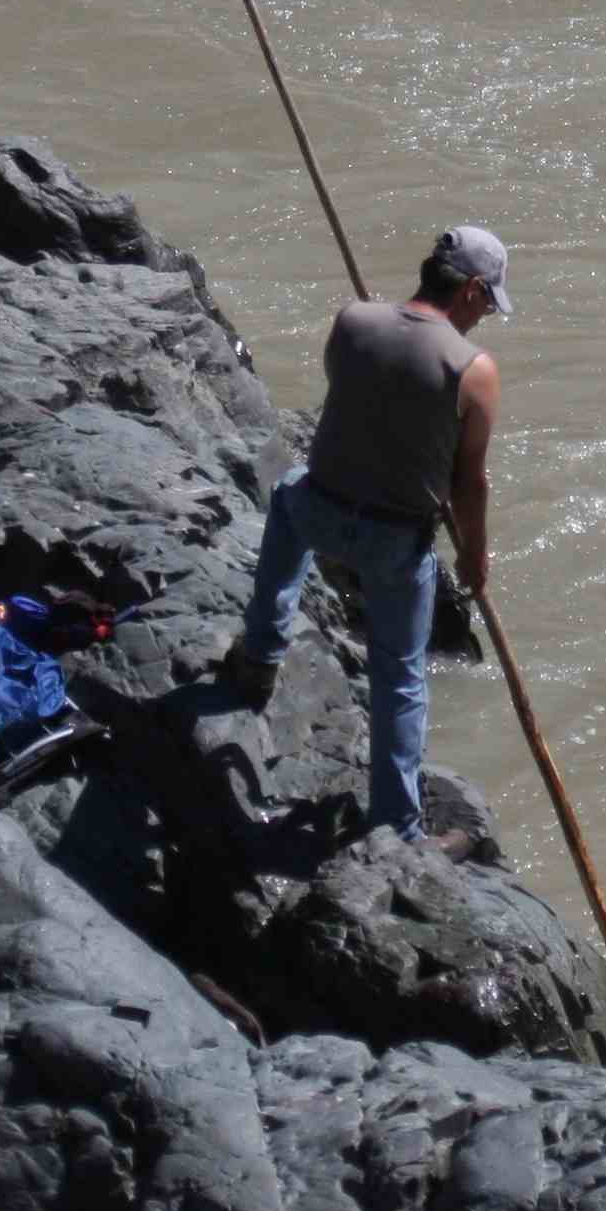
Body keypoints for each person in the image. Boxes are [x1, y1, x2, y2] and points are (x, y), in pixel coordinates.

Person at [219, 225, 510, 846]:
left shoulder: (353, 320)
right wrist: (474, 557)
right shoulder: (474, 369)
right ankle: (398, 825)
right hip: (393, 545)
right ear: (472, 289)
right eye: (488, 302)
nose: (486, 315)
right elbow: (470, 483)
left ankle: (261, 656)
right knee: (400, 679)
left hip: (318, 512)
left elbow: (351, 395)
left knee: (288, 491)